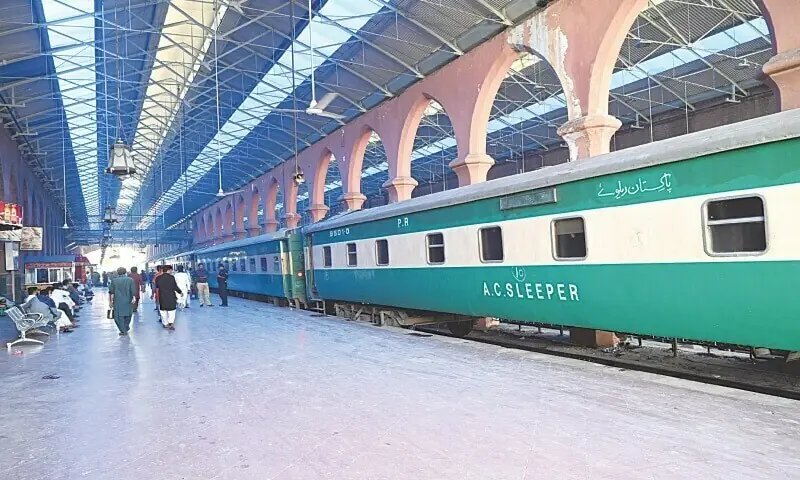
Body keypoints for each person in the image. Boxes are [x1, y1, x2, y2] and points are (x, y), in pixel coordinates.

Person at [108, 266, 137, 336]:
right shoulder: (130, 280)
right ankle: (126, 327)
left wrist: (110, 302)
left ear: (118, 273)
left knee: (118, 316)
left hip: (118, 301)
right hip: (128, 300)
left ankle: (123, 330)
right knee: (128, 314)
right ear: (125, 272)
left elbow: (111, 292)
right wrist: (134, 298)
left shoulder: (114, 281)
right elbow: (133, 290)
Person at [155, 265, 182, 330]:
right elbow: (174, 286)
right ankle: (171, 323)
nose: (171, 271)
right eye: (171, 270)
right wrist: (180, 292)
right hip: (171, 296)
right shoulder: (171, 277)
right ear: (168, 270)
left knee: (163, 310)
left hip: (162, 295)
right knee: (172, 310)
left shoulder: (158, 278)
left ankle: (165, 324)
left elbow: (157, 286)